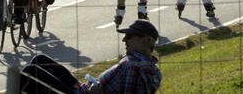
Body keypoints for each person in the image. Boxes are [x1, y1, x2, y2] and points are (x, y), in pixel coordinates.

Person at [19, 20, 162, 93]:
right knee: (40, 60)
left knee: (27, 73)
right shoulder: (151, 68)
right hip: (83, 88)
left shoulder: (134, 67)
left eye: (129, 36)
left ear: (144, 41)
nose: (124, 40)